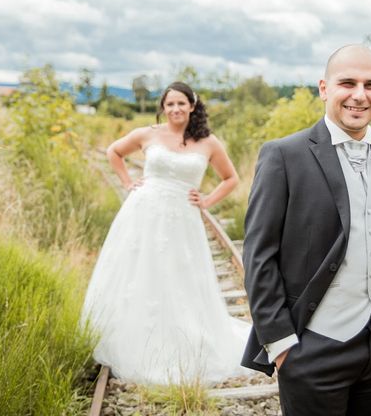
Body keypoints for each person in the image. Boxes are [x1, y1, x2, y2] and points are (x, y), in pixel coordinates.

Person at [241, 45, 371, 415]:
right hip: (314, 348)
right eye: (348, 83)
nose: (359, 94)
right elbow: (259, 256)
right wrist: (281, 344)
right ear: (324, 88)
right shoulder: (284, 155)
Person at [81, 81, 251, 385]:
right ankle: (134, 338)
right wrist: (126, 182)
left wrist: (207, 201)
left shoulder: (208, 142)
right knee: (140, 273)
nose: (175, 109)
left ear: (192, 106)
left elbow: (231, 178)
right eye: (170, 104)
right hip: (143, 214)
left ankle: (182, 340)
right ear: (163, 107)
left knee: (178, 277)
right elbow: (114, 152)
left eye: (181, 104)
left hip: (183, 219)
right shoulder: (149, 134)